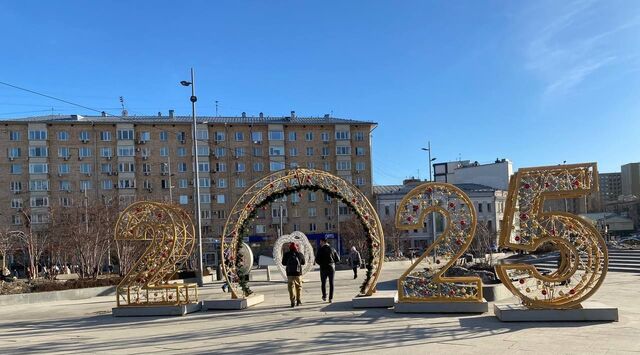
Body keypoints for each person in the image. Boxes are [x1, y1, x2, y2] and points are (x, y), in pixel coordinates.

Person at [315, 237, 340, 303]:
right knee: (331, 283)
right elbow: (337, 259)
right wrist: (332, 262)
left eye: (320, 242)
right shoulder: (332, 249)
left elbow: (317, 260)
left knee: (323, 282)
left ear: (323, 242)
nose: (320, 243)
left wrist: (321, 263)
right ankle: (330, 298)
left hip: (323, 268)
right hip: (331, 267)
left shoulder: (320, 250)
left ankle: (324, 296)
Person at [282, 242, 305, 307]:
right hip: (298, 273)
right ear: (296, 247)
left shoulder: (286, 254)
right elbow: (303, 262)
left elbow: (283, 263)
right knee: (299, 287)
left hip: (289, 273)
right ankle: (298, 300)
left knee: (291, 287)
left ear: (290, 248)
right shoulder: (300, 254)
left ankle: (292, 301)